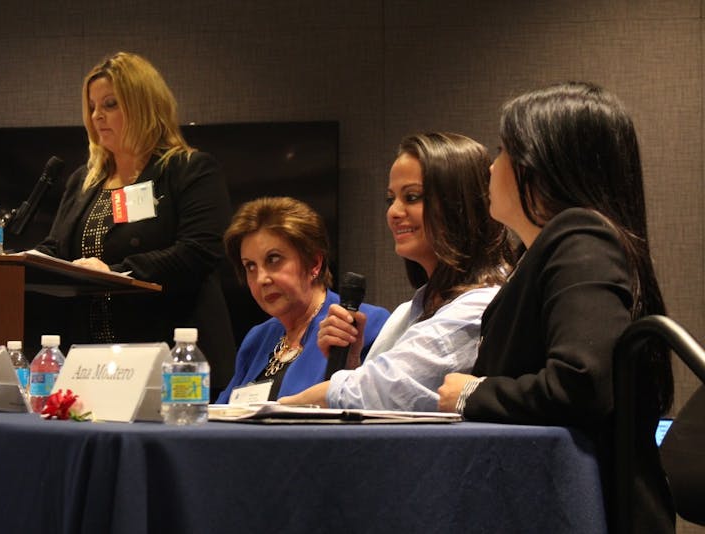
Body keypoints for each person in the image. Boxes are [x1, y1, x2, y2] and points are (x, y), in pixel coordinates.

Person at [436, 82, 675, 532]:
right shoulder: (548, 251)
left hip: (583, 512)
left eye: (503, 151)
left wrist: (472, 394)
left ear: (541, 164)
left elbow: (580, 383)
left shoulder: (582, 238)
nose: (491, 166)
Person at [35, 51, 235, 392]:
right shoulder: (84, 180)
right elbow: (57, 248)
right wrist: (19, 261)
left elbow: (199, 251)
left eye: (110, 104)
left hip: (171, 358)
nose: (97, 116)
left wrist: (116, 273)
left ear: (144, 105)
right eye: (92, 106)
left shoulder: (188, 170)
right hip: (90, 361)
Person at [280, 132, 512, 411]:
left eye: (412, 197)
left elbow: (386, 388)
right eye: (391, 199)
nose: (394, 212)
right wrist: (351, 362)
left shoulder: (483, 305)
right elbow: (375, 401)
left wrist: (278, 408)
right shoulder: (409, 311)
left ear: (459, 204)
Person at [215, 197, 390, 403]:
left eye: (273, 259)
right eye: (250, 266)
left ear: (314, 263)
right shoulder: (258, 338)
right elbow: (220, 412)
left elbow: (377, 403)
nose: (261, 279)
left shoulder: (363, 323)